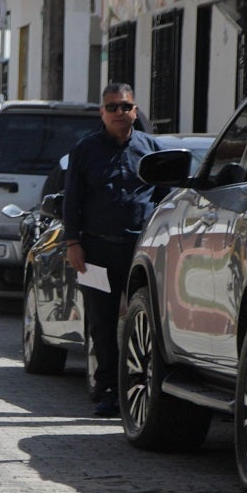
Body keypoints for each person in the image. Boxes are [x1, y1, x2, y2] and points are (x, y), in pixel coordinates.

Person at [63, 83, 165, 417]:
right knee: (102, 324)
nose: (120, 113)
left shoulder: (152, 150)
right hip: (94, 252)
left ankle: (142, 389)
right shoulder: (85, 150)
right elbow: (72, 200)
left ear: (136, 110)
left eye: (126, 106)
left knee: (144, 324)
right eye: (112, 108)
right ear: (102, 113)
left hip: (141, 254)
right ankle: (107, 391)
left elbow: (166, 199)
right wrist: (73, 243)